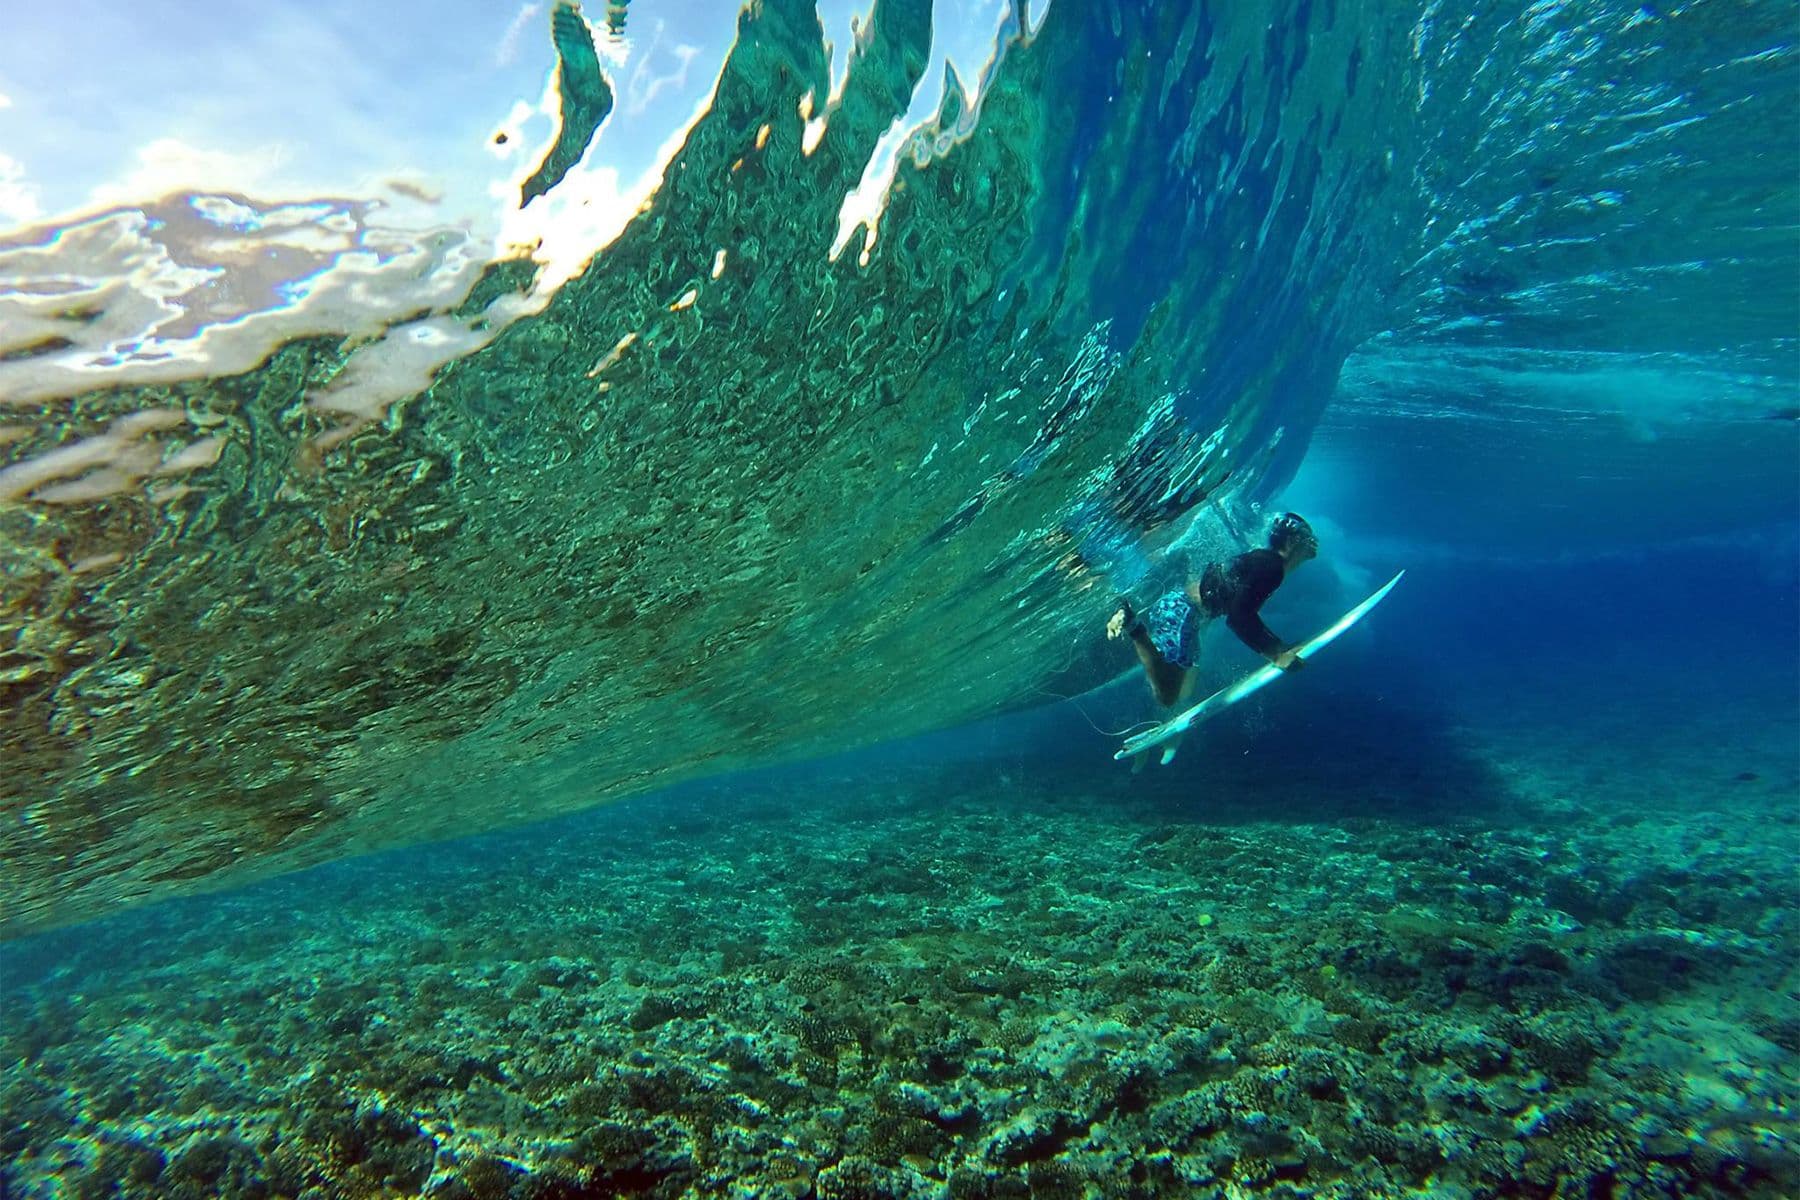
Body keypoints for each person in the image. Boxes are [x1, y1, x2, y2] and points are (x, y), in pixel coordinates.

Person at [1107, 512, 1320, 716]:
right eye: (1307, 542)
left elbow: (1238, 608)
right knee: (1167, 696)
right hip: (1183, 612)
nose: (1311, 548)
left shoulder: (1264, 560)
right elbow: (1238, 617)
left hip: (1183, 611)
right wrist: (1277, 653)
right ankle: (1132, 624)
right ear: (1292, 542)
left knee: (1179, 688)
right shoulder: (1272, 568)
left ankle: (1133, 623)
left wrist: (1279, 646)